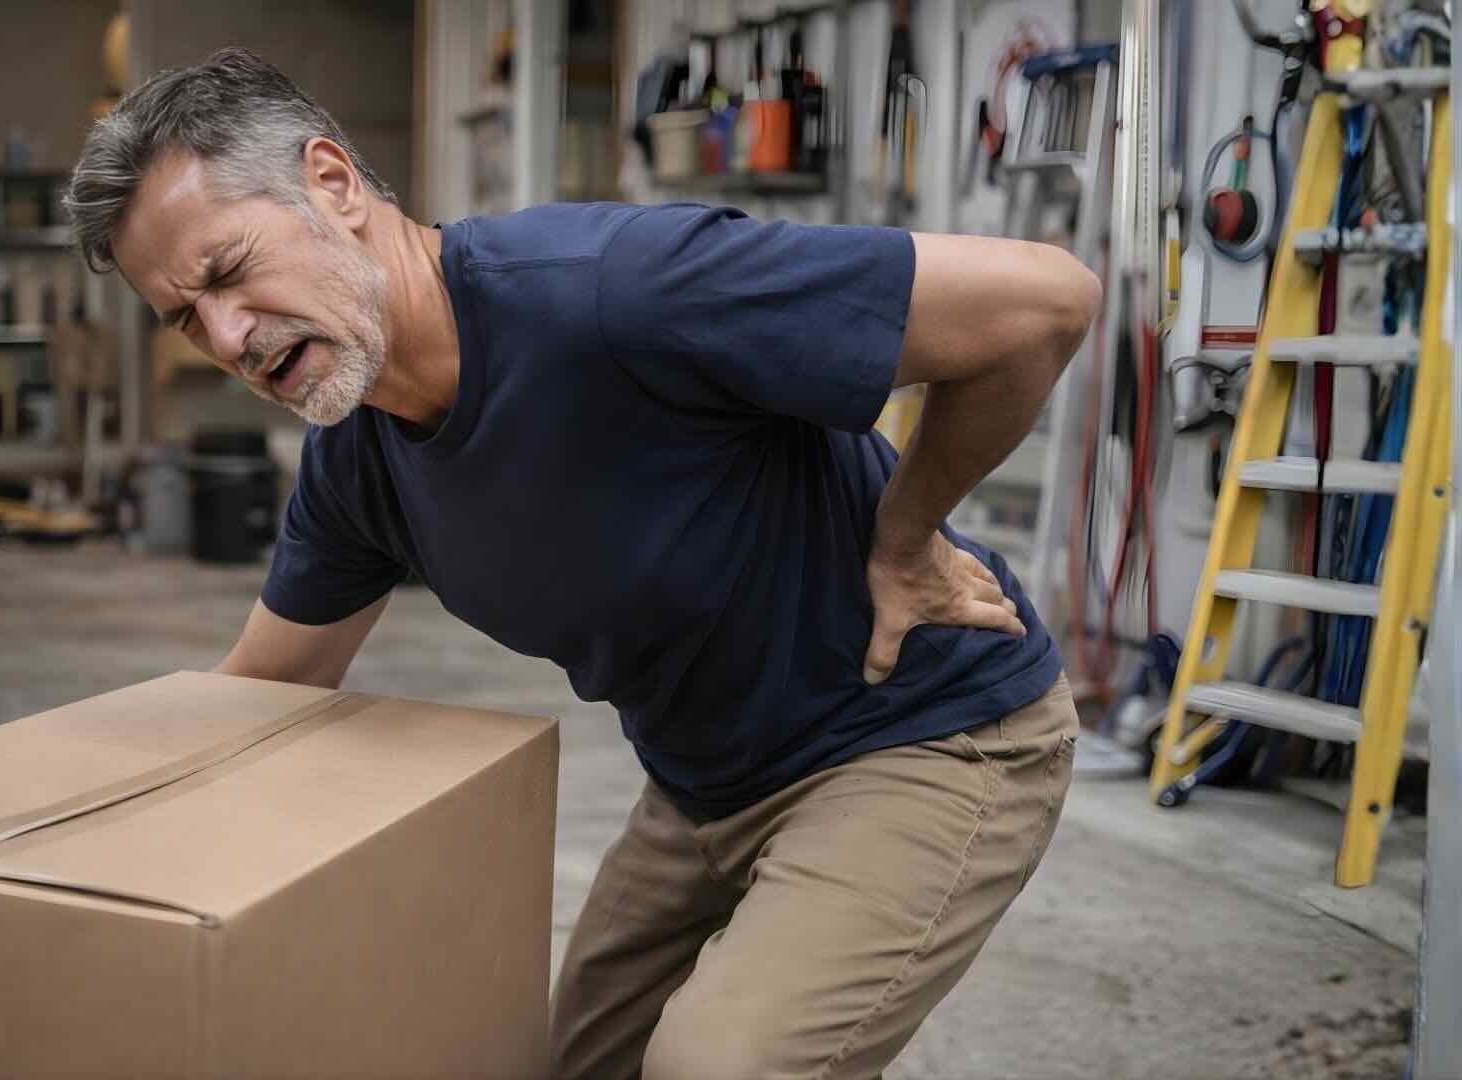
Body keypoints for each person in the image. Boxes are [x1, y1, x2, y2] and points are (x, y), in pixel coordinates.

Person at [69, 47, 1097, 1080]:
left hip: (920, 736)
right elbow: (270, 688)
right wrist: (58, 836)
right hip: (707, 786)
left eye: (227, 271)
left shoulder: (613, 291)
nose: (229, 335)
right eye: (184, 319)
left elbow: (1042, 303)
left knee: (717, 1068)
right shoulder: (358, 462)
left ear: (332, 185)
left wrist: (906, 535)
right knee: (568, 1065)